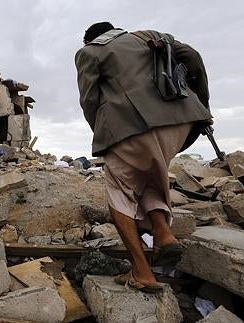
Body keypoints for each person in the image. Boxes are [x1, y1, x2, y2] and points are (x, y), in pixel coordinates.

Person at [75, 22, 213, 292]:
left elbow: (89, 100)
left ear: (89, 39)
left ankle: (141, 271)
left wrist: (105, 133)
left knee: (120, 191)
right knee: (147, 175)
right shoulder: (150, 36)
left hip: (132, 127)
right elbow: (193, 58)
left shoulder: (89, 52)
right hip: (182, 121)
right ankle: (163, 234)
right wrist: (202, 104)